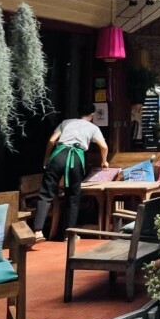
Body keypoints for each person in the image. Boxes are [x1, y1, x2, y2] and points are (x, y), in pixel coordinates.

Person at [32, 103, 108, 242]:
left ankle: (37, 231)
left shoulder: (66, 122)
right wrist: (104, 161)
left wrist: (46, 159)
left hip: (58, 155)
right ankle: (69, 234)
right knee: (73, 195)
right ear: (92, 115)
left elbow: (51, 140)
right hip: (76, 157)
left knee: (46, 192)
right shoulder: (93, 128)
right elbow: (103, 146)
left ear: (78, 112)